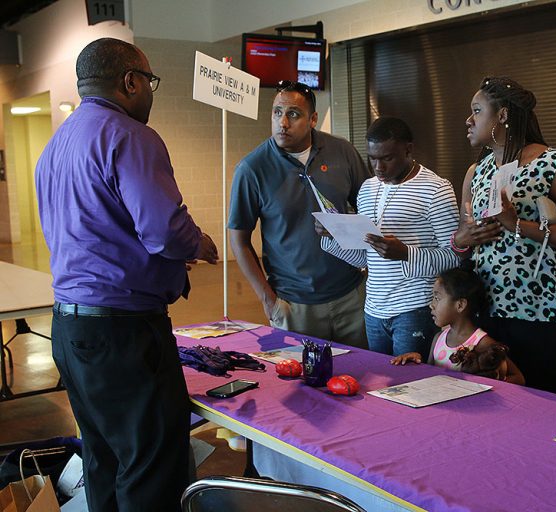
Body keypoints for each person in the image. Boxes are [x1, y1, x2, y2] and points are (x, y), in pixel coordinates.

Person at [35, 38, 218, 512]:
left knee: (104, 456)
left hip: (71, 327)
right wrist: (201, 245)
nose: (151, 93)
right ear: (131, 81)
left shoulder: (57, 144)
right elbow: (164, 232)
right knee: (151, 462)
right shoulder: (130, 135)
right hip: (124, 330)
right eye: (150, 82)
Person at [451, 76, 556, 395]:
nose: (468, 120)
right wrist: (464, 239)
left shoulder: (553, 162)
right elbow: (462, 235)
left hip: (542, 308)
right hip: (488, 305)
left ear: (502, 115)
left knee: (546, 400)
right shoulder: (477, 171)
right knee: (493, 398)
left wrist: (516, 223)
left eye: (477, 111)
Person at [228, 80, 371, 347]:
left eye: (293, 114)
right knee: (304, 385)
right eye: (277, 113)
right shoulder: (252, 169)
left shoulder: (342, 151)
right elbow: (238, 240)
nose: (283, 123)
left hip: (352, 296)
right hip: (294, 304)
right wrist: (268, 300)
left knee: (363, 378)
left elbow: (370, 209)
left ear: (313, 119)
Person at [319, 117, 459, 358]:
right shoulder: (367, 189)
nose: (378, 167)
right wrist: (334, 235)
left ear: (408, 150)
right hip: (373, 308)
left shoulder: (436, 189)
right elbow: (365, 259)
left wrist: (406, 254)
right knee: (382, 388)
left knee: (411, 387)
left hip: (416, 307)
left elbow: (456, 257)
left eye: (387, 158)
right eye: (372, 158)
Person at [391, 268, 524, 385]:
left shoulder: (483, 343)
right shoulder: (439, 338)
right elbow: (431, 374)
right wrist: (417, 361)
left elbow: (518, 378)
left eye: (437, 298)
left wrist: (484, 385)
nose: (431, 305)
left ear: (460, 305)